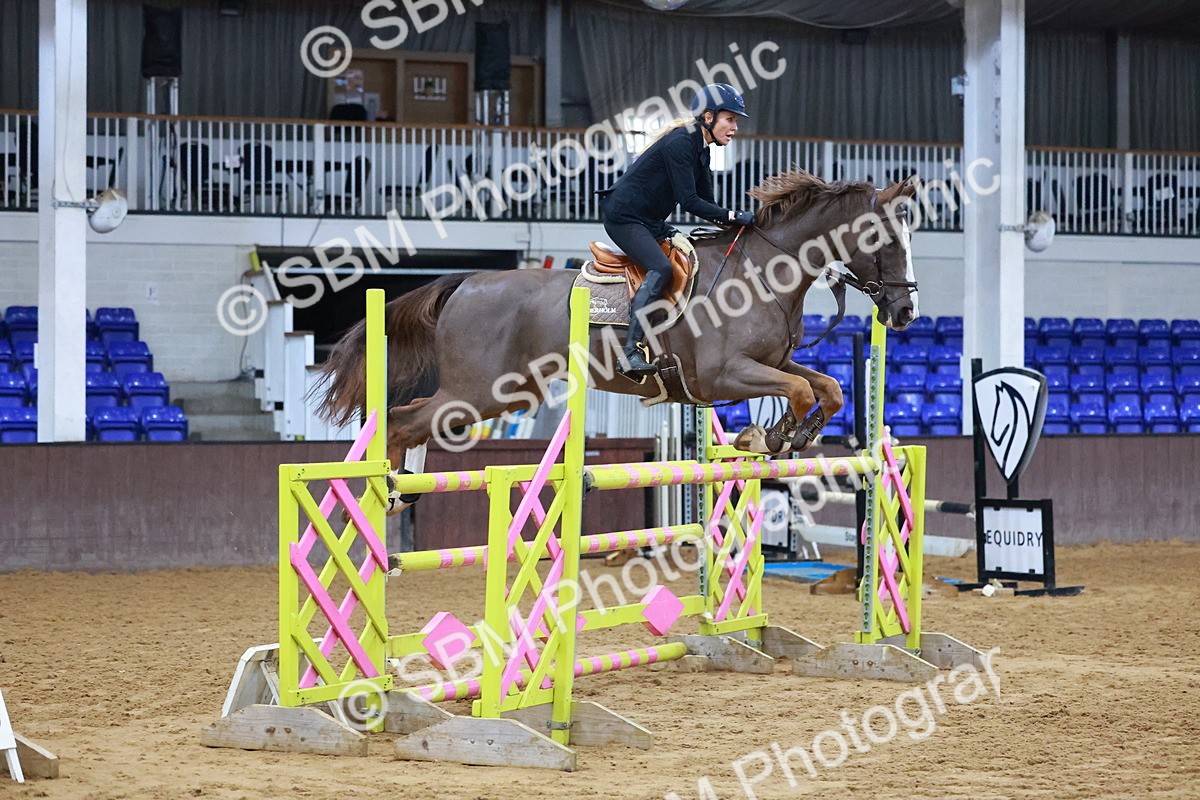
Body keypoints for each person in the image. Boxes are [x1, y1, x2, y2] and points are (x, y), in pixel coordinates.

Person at [599, 83, 757, 378]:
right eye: (730, 119)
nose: (735, 127)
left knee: (688, 253)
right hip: (624, 217)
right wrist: (734, 215)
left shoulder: (701, 151)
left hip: (650, 221)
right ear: (708, 118)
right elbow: (690, 202)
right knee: (661, 269)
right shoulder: (681, 143)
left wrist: (738, 225)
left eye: (735, 121)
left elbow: (708, 203)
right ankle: (630, 351)